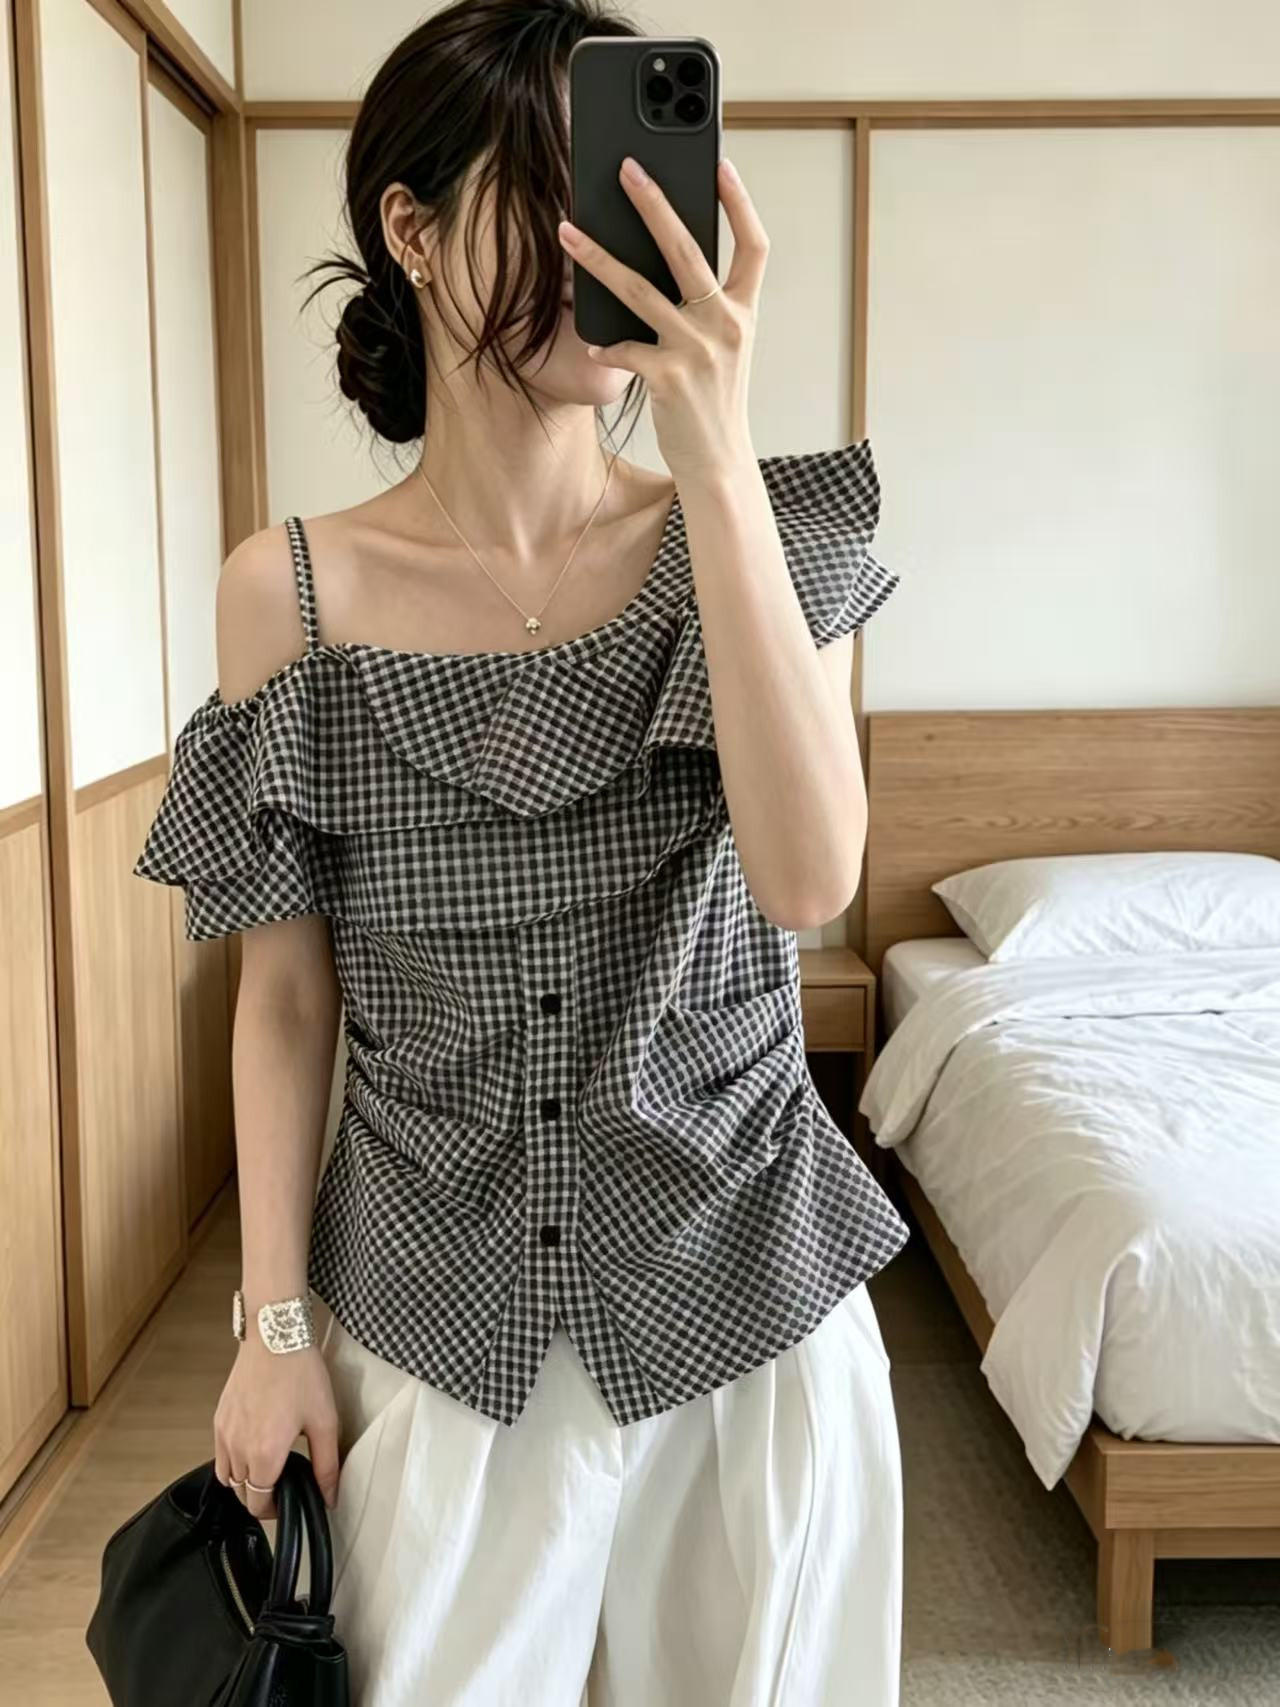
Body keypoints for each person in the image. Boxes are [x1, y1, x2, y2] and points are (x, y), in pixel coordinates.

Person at [132, 2, 910, 1701]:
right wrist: (273, 1331)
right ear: (411, 232)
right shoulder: (293, 594)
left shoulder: (761, 535)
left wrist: (715, 459)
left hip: (749, 1316)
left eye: (636, 190)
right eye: (553, 193)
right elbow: (284, 1001)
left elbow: (809, 881)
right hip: (433, 1322)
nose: (606, 239)